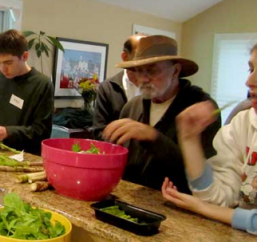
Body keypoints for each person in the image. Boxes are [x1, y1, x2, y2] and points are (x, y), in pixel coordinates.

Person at [103, 35, 221, 194]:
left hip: (177, 209)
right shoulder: (132, 107)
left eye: (152, 71)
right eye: (139, 71)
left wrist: (153, 137)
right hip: (131, 203)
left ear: (176, 70)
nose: (143, 79)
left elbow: (202, 178)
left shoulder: (200, 109)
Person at [162, 43, 257, 234]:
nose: (249, 81)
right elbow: (217, 198)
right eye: (251, 69)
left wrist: (205, 209)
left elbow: (212, 207)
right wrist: (189, 140)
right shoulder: (243, 125)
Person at [0, 29, 54, 155]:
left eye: (8, 63)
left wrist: (8, 132)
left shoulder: (42, 84)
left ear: (25, 56)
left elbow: (41, 132)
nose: (3, 68)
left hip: (24, 158)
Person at [93, 34, 145, 139]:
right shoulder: (107, 88)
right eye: (140, 54)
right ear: (125, 57)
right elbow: (99, 131)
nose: (145, 59)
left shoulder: (154, 88)